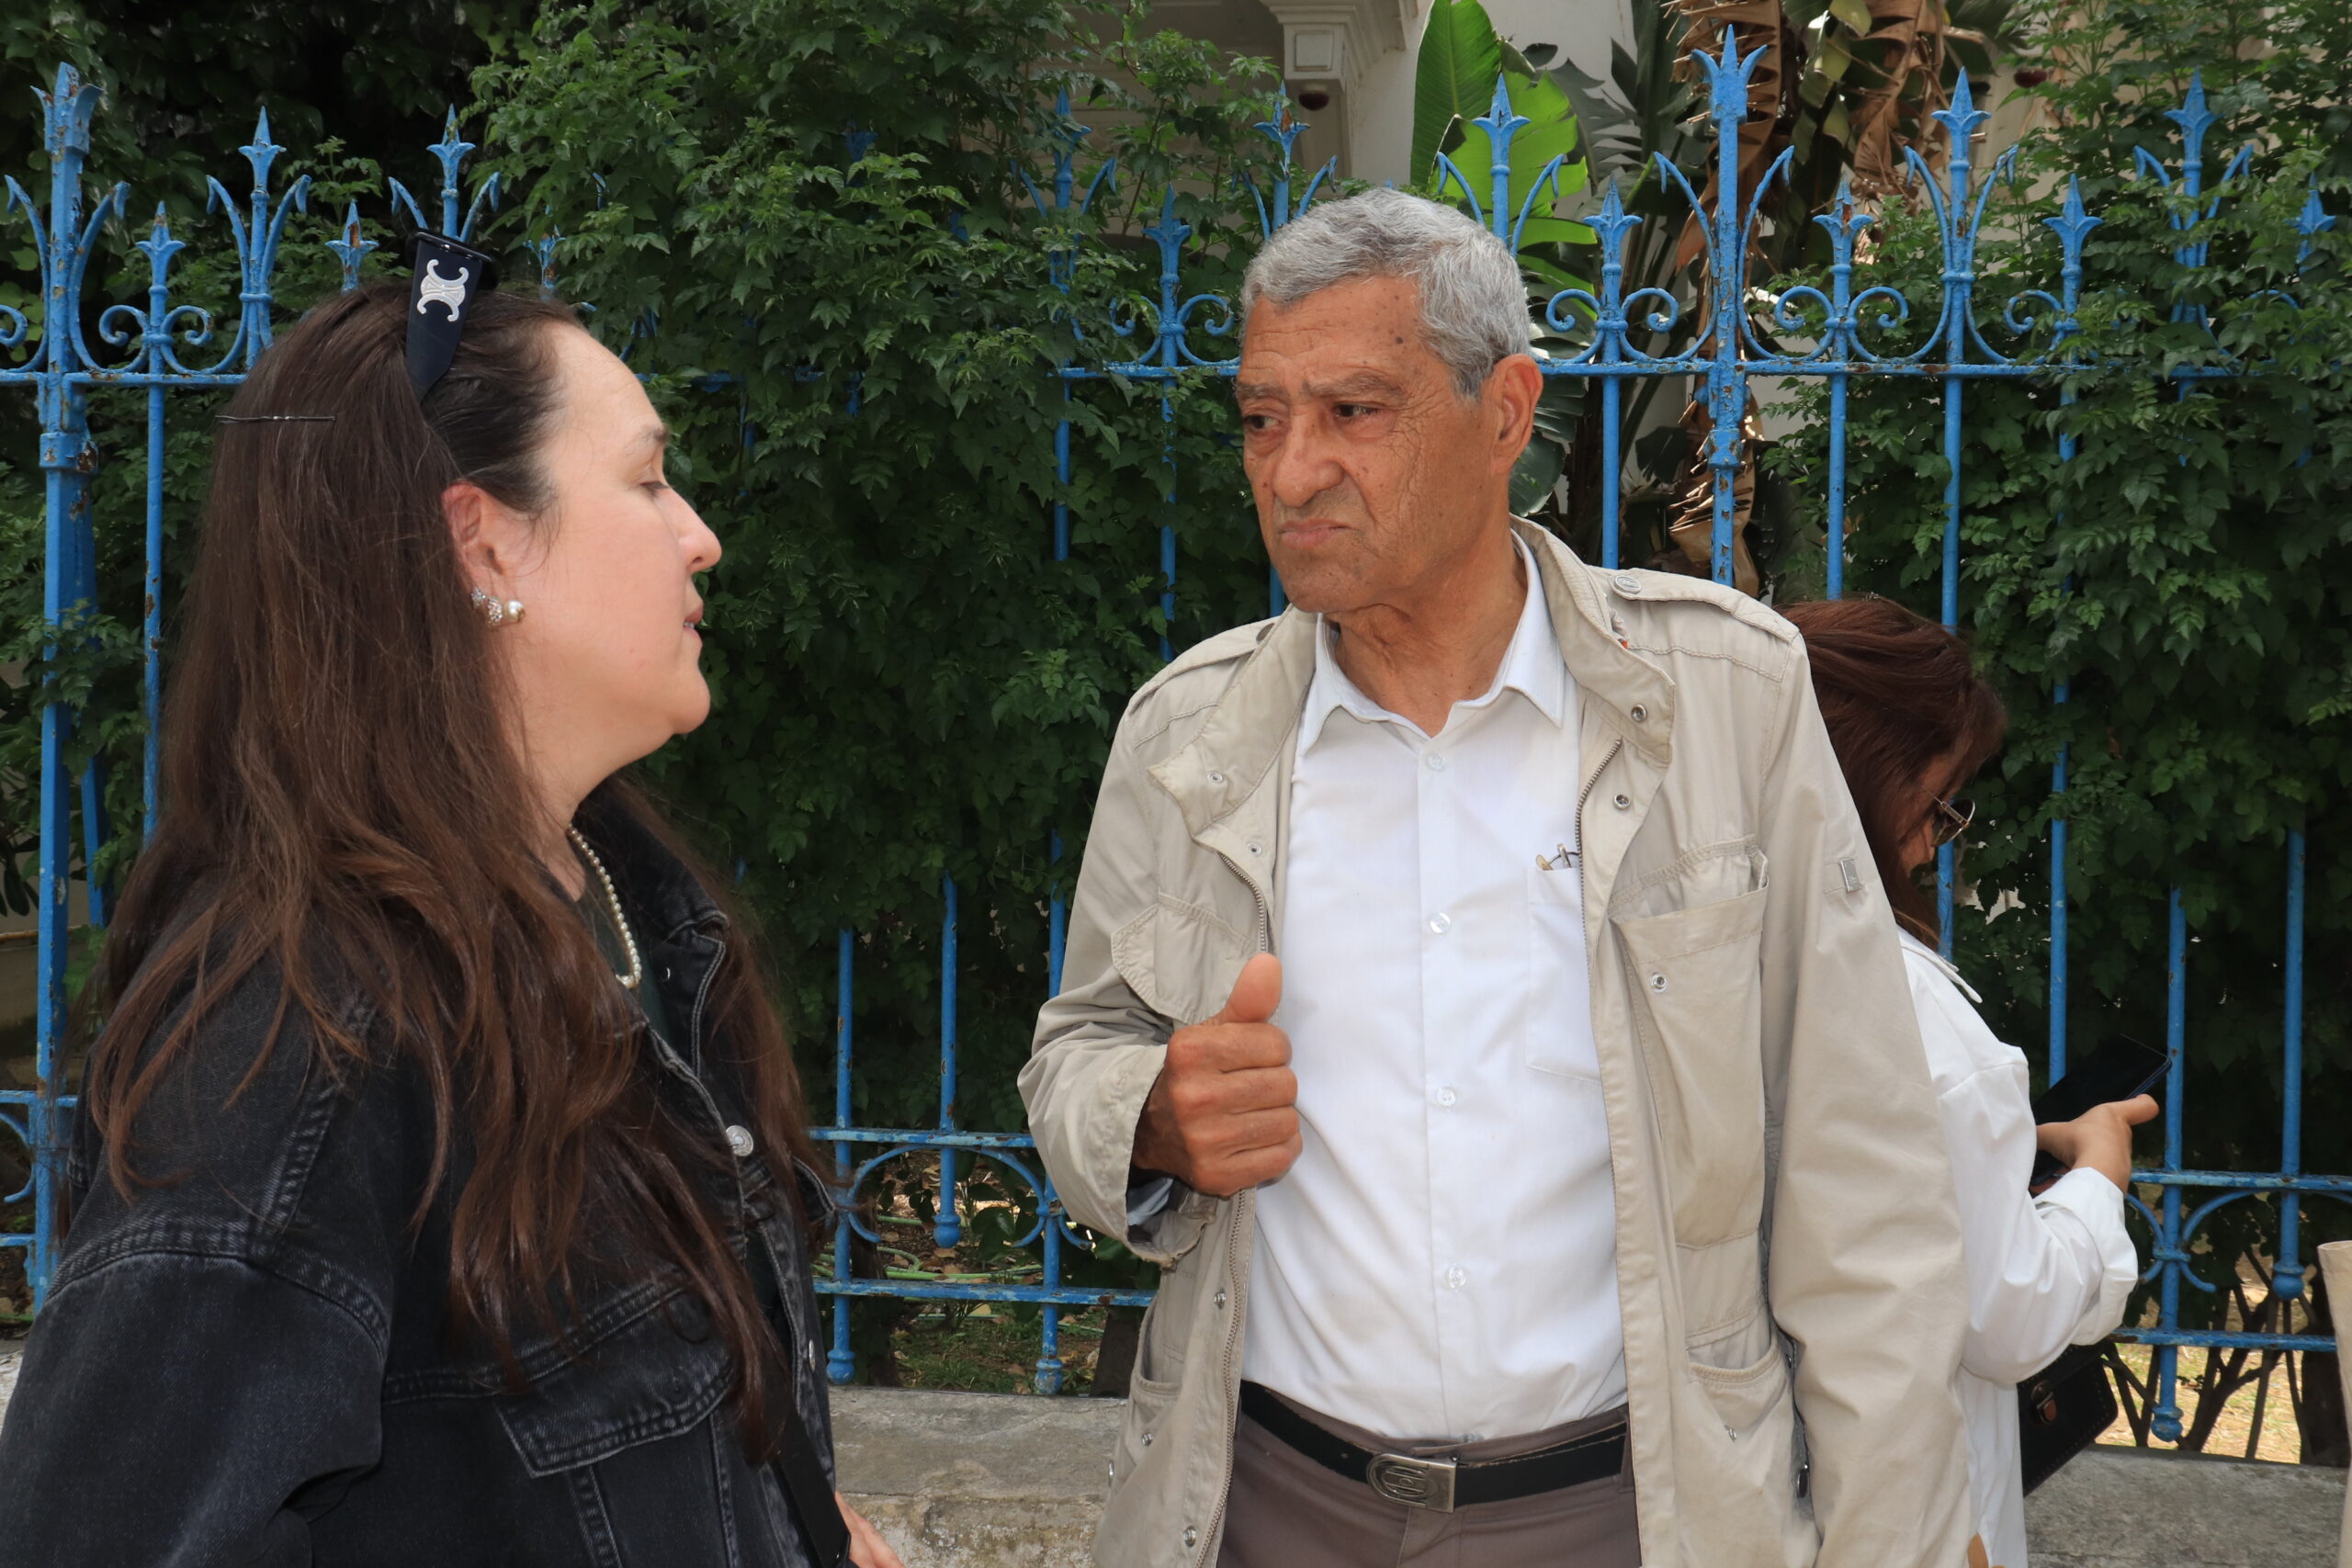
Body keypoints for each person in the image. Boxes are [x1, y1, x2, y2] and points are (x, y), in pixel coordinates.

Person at [1021, 186, 1976, 1568]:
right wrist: (1150, 1118)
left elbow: (1864, 1188)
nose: (1290, 472)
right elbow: (1076, 1051)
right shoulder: (1187, 738)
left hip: (1628, 1517)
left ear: (1508, 412)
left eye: (1353, 411)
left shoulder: (1727, 697)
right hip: (1265, 1507)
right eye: (1261, 418)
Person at [0, 252, 900, 1568]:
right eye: (649, 479)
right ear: (482, 540)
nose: (700, 532)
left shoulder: (631, 914)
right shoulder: (301, 1038)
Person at [1782, 596, 2145, 1568]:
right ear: (1866, 780)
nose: (1930, 842)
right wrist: (2096, 1179)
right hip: (1900, 1507)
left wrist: (2006, 1145)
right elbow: (2008, 1316)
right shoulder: (1916, 1014)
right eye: (1938, 805)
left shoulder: (1688, 961)